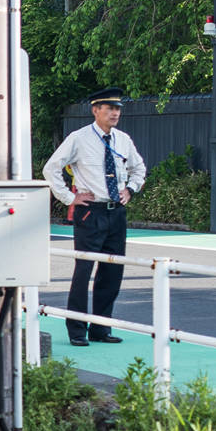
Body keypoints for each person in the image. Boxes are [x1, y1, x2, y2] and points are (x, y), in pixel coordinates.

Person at [43, 87, 147, 346]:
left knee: (112, 272)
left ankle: (101, 328)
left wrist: (130, 189)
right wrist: (69, 197)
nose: (115, 113)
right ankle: (76, 330)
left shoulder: (123, 139)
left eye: (118, 109)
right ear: (95, 110)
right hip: (91, 212)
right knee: (84, 270)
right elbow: (51, 168)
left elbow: (139, 168)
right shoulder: (79, 138)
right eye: (109, 108)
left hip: (116, 212)